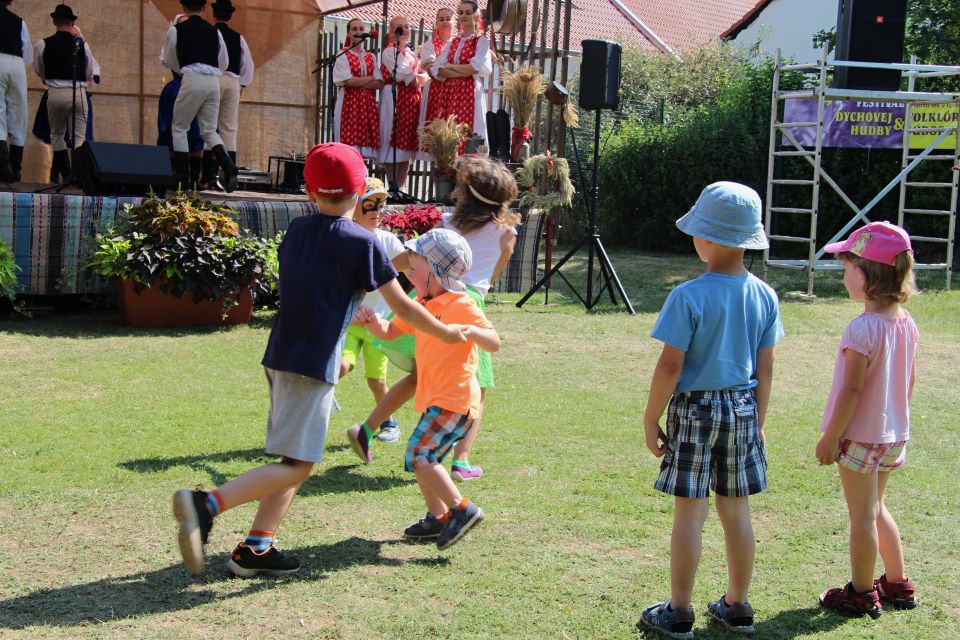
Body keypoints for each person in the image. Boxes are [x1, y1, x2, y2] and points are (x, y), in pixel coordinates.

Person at [171, 143, 467, 577]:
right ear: (361, 191)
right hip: (312, 365)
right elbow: (403, 306)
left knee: (293, 459)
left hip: (281, 355)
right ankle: (207, 504)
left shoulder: (297, 230)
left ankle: (257, 547)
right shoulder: (364, 243)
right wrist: (446, 332)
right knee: (299, 464)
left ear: (310, 192)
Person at [639, 182, 783, 639]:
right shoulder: (765, 295)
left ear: (706, 238)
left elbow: (670, 365)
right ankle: (738, 606)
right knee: (736, 511)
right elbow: (766, 367)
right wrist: (758, 422)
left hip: (694, 410)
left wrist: (650, 418)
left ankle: (679, 611)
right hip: (743, 408)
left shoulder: (688, 296)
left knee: (690, 513)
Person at [347, 156, 517, 481]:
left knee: (418, 374)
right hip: (465, 302)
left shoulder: (447, 222)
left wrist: (373, 276)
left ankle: (367, 429)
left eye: (459, 186)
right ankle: (461, 460)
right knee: (477, 385)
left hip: (425, 299)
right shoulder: (505, 233)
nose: (454, 191)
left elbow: (409, 258)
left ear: (467, 194)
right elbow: (492, 275)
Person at [351, 228, 497, 549]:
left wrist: (471, 331)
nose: (407, 273)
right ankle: (438, 517)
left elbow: (494, 341)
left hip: (456, 399)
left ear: (435, 272)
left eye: (413, 268)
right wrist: (373, 324)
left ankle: (461, 509)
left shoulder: (462, 304)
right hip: (437, 399)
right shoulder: (421, 303)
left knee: (420, 454)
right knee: (422, 458)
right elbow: (391, 331)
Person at [815, 221, 920, 617]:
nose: (843, 277)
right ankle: (897, 583)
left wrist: (831, 436)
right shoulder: (906, 323)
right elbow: (909, 382)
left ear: (864, 274)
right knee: (876, 507)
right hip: (894, 435)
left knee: (861, 515)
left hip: (859, 437)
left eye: (846, 268)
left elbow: (852, 390)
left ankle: (860, 593)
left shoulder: (861, 329)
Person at [340, 177, 406, 443]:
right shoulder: (343, 240)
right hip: (349, 324)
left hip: (379, 326)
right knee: (340, 366)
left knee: (376, 381)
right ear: (354, 205)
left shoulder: (388, 242)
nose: (377, 212)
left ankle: (389, 422)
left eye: (381, 205)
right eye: (370, 205)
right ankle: (314, 406)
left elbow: (411, 269)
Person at [160, 0, 239, 192]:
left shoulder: (176, 30)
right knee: (210, 131)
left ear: (184, 7)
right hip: (213, 82)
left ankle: (183, 179)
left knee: (179, 128)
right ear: (204, 8)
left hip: (192, 79)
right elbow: (224, 61)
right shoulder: (215, 31)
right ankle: (229, 168)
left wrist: (184, 69)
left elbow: (169, 60)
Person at [32, 3, 100, 183]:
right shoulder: (82, 45)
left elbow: (38, 68)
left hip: (56, 92)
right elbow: (89, 71)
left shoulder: (43, 44)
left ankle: (66, 171)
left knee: (57, 134)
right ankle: (77, 176)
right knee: (79, 138)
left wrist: (48, 78)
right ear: (73, 22)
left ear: (54, 21)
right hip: (78, 92)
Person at [200, 0, 254, 189]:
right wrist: (242, 84)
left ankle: (208, 175)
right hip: (232, 81)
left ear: (213, 14)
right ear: (230, 17)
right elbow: (247, 66)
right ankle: (228, 174)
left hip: (213, 79)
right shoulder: (238, 38)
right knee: (229, 128)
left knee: (209, 126)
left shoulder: (208, 33)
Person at [430, 0, 492, 155]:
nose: (463, 15)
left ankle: (471, 164)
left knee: (471, 132)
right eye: (461, 12)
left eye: (468, 13)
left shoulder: (481, 41)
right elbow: (438, 68)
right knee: (449, 135)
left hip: (469, 93)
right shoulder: (453, 41)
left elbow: (474, 68)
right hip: (450, 94)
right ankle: (449, 165)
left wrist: (451, 66)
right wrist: (462, 71)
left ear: (475, 16)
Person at [377, 15, 428, 193]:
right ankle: (392, 185)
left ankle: (400, 187)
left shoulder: (411, 54)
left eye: (406, 26)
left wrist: (418, 78)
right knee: (393, 140)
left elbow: (421, 76)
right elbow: (407, 77)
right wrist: (418, 78)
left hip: (411, 100)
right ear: (392, 31)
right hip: (395, 97)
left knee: (407, 142)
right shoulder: (389, 52)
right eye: (399, 27)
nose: (404, 29)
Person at [158, 13, 204, 187]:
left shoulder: (200, 42)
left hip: (195, 86)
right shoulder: (174, 40)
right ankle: (173, 173)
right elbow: (169, 60)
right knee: (171, 130)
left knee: (197, 131)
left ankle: (195, 177)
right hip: (178, 87)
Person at [333, 18, 382, 160]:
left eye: (361, 29)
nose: (358, 32)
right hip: (349, 103)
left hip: (367, 104)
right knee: (349, 145)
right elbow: (348, 81)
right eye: (354, 29)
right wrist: (369, 78)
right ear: (348, 33)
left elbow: (379, 83)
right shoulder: (343, 54)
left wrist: (357, 81)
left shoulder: (371, 56)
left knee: (364, 145)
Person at [416, 7, 454, 162]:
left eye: (448, 19)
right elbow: (431, 68)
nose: (445, 22)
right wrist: (449, 73)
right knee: (436, 134)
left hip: (456, 92)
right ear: (436, 23)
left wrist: (445, 69)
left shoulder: (458, 43)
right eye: (441, 19)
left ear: (454, 22)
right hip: (436, 91)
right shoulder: (430, 45)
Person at [0, 0, 31, 183]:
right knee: (19, 114)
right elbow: (26, 53)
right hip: (17, 64)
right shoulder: (19, 21)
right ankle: (16, 168)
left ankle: (4, 168)